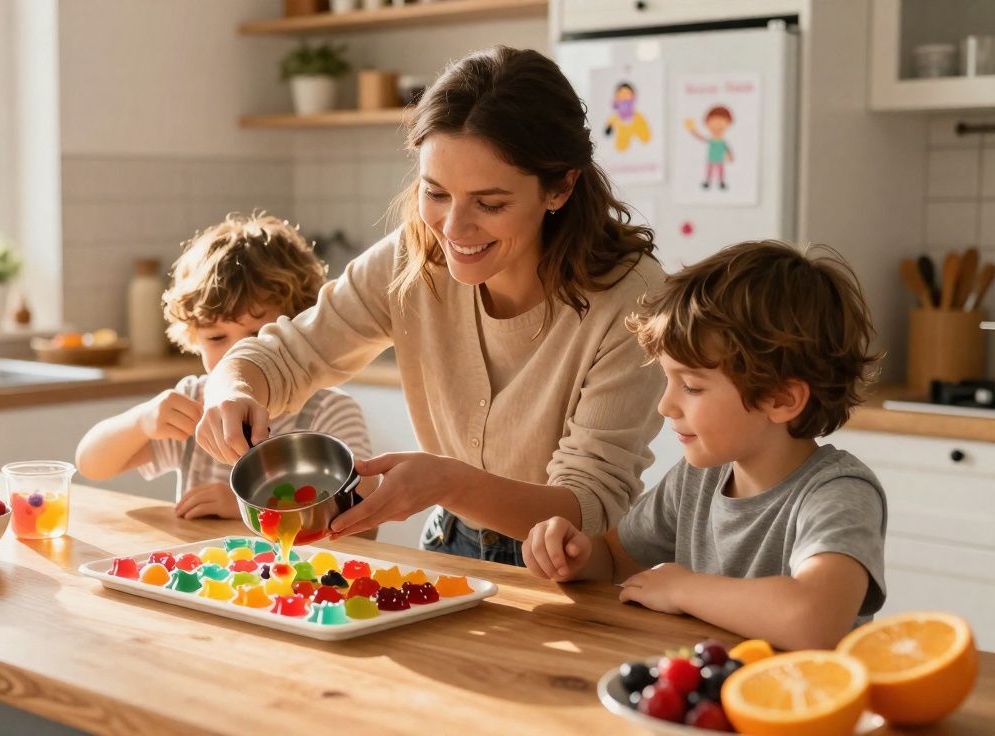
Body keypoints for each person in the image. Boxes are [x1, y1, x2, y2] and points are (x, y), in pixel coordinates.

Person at [195, 46, 667, 565]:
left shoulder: (631, 298)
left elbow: (590, 505)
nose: (453, 229)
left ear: (561, 186)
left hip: (570, 567)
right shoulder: (413, 256)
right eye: (435, 192)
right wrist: (230, 388)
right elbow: (289, 354)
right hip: (451, 545)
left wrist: (447, 481)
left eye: (490, 204)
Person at [522, 241, 886, 651]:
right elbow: (613, 560)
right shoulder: (698, 478)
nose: (665, 405)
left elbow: (815, 621)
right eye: (668, 380)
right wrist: (575, 554)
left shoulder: (840, 494)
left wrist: (683, 589)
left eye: (692, 386)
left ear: (781, 399)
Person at [75, 212, 375, 522]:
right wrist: (141, 421)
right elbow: (91, 464)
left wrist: (246, 510)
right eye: (217, 337)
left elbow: (365, 524)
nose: (237, 354)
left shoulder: (329, 410)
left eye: (259, 337)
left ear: (299, 330)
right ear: (194, 338)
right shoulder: (195, 403)